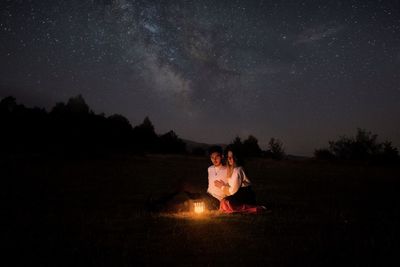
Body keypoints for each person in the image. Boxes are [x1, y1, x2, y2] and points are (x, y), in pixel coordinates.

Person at [214, 147, 266, 213]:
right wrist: (224, 185)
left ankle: (253, 208)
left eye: (232, 157)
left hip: (245, 195)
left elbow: (232, 191)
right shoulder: (232, 169)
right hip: (238, 194)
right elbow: (231, 186)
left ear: (236, 158)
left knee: (226, 202)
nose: (229, 159)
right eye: (228, 157)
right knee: (223, 201)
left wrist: (222, 186)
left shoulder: (239, 170)